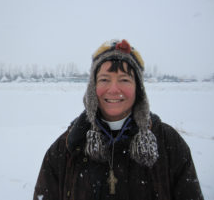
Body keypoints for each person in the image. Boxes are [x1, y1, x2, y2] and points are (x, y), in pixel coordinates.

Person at [33, 39, 204, 200]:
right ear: (93, 88)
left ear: (139, 89)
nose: (114, 89)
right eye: (104, 79)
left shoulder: (168, 144)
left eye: (124, 79)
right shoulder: (66, 148)